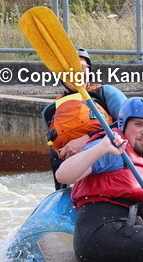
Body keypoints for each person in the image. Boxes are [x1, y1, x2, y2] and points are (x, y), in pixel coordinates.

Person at [54, 97, 143, 262]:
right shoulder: (113, 150)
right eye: (138, 124)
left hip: (130, 237)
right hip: (101, 234)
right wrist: (102, 148)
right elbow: (63, 175)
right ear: (123, 125)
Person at [41, 47, 126, 189]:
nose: (77, 73)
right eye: (70, 69)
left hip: (115, 166)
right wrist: (60, 189)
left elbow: (130, 126)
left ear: (89, 71)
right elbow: (55, 156)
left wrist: (86, 139)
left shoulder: (105, 93)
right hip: (79, 176)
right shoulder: (50, 111)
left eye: (81, 67)